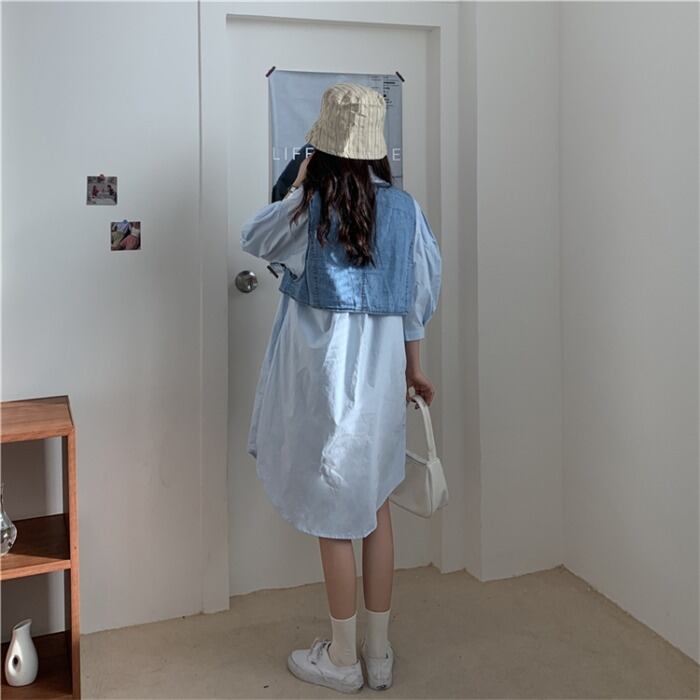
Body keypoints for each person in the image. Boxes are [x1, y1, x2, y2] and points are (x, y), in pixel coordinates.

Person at [239, 82, 442, 694]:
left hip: (322, 383)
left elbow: (254, 236)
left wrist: (301, 182)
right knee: (376, 505)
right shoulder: (405, 211)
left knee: (334, 516)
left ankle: (342, 657)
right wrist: (413, 368)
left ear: (323, 144)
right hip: (380, 383)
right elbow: (415, 300)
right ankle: (378, 655)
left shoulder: (310, 208)